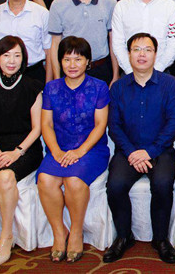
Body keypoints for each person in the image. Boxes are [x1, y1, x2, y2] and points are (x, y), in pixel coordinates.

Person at [104, 33, 175, 264]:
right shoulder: (118, 87)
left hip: (161, 151)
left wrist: (150, 151)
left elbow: (174, 123)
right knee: (115, 185)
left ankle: (161, 239)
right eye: (136, 49)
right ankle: (123, 236)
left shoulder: (170, 84)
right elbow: (114, 126)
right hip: (127, 151)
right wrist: (131, 152)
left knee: (162, 184)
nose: (142, 54)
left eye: (147, 49)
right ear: (128, 54)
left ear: (155, 54)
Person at [36, 36, 110, 264]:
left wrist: (80, 151)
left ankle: (76, 232)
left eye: (78, 59)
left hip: (91, 150)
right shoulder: (51, 88)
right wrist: (56, 151)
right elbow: (46, 125)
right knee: (45, 180)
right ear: (60, 61)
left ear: (88, 61)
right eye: (67, 59)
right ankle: (59, 232)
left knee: (74, 181)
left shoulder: (99, 87)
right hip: (59, 147)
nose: (72, 64)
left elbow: (100, 125)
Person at [0, 36, 43, 268]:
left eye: (17, 55)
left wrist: (17, 152)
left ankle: (6, 236)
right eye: (6, 55)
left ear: (24, 59)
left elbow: (37, 128)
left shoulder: (33, 86)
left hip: (25, 147)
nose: (11, 61)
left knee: (5, 177)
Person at [48, 0, 118, 84]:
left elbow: (113, 41)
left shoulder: (109, 2)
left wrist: (115, 75)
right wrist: (57, 79)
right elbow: (55, 44)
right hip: (70, 70)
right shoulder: (58, 4)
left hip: (100, 69)